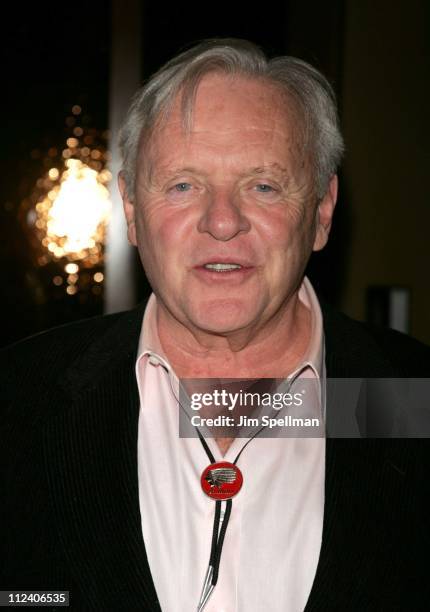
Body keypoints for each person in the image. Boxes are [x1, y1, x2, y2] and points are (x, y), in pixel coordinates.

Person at [1, 38, 430, 611]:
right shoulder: (17, 401)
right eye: (183, 185)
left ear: (322, 212)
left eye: (264, 186)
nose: (222, 222)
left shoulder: (411, 401)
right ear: (130, 209)